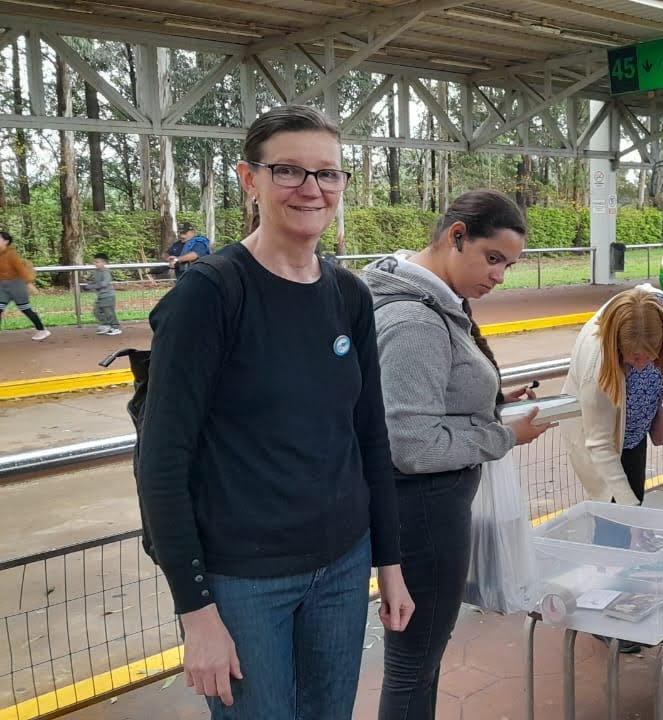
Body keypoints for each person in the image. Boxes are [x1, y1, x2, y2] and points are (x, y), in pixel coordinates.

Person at [136, 104, 413, 718]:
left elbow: (369, 436)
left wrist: (388, 563)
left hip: (343, 567)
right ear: (249, 180)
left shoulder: (349, 294)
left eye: (328, 173)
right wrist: (196, 612)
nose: (311, 188)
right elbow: (162, 464)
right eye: (288, 170)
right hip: (244, 582)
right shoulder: (210, 296)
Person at [364, 189, 549, 719]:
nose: (499, 276)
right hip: (424, 508)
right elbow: (411, 443)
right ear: (457, 236)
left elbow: (422, 396)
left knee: (417, 659)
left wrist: (488, 400)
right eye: (493, 258)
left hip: (419, 506)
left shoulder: (420, 295)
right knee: (415, 662)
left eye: (509, 265)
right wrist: (503, 435)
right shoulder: (416, 321)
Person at [561, 285, 663, 652]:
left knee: (632, 516)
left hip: (631, 433)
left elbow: (661, 369)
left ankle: (628, 596)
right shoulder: (597, 365)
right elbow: (599, 446)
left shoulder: (658, 308)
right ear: (617, 346)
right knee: (614, 523)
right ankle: (606, 615)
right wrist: (631, 513)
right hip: (602, 443)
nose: (642, 364)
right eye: (634, 358)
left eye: (651, 355)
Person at [0, 231, 51, 341]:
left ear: (6, 241)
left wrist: (29, 283)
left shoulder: (12, 254)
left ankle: (42, 330)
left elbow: (21, 269)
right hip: (2, 286)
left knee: (25, 309)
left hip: (16, 285)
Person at [82, 252, 121, 335]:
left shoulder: (106, 272)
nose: (95, 263)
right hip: (100, 296)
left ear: (104, 262)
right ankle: (105, 325)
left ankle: (116, 327)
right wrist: (88, 285)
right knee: (96, 311)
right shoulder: (96, 272)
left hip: (108, 296)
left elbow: (104, 284)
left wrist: (90, 287)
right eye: (94, 262)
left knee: (109, 313)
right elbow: (95, 282)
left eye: (97, 262)